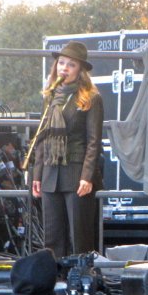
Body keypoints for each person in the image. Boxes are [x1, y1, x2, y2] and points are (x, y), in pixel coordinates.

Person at [32, 41, 104, 258]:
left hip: (76, 173)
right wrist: (37, 174)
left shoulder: (91, 98)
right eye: (61, 63)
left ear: (80, 70)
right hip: (51, 172)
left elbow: (94, 141)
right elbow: (43, 137)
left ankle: (78, 286)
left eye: (71, 64)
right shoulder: (51, 97)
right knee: (52, 238)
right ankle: (55, 285)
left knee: (78, 237)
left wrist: (87, 176)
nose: (64, 67)